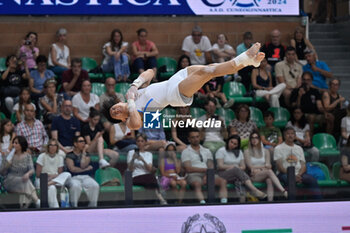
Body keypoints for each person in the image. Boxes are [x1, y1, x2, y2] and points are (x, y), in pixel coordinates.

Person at [104, 42, 265, 130]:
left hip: (175, 79)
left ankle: (248, 61)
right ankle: (245, 59)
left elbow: (149, 73)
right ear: (121, 119)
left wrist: (134, 86)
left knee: (214, 68)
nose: (116, 110)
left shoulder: (131, 93)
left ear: (116, 102)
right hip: (174, 94)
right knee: (208, 72)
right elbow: (137, 124)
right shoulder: (132, 119)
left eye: (114, 108)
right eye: (115, 114)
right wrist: (131, 102)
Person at [181, 128, 228, 204]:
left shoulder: (207, 150)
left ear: (200, 137)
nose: (195, 139)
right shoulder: (185, 151)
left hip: (207, 173)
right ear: (189, 139)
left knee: (223, 181)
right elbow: (188, 169)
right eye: (193, 137)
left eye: (197, 136)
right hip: (193, 175)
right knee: (197, 184)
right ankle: (203, 203)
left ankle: (224, 203)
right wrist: (204, 171)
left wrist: (208, 174)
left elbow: (210, 165)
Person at [216, 135, 267, 202]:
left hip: (236, 174)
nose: (232, 145)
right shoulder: (221, 151)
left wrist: (236, 168)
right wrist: (233, 167)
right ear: (228, 141)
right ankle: (255, 190)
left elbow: (243, 166)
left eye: (235, 144)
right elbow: (220, 166)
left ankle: (242, 201)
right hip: (223, 174)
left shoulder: (239, 152)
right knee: (236, 170)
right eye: (231, 142)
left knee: (239, 180)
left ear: (237, 145)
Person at [274, 127, 322, 199]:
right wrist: (292, 175)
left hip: (299, 173)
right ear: (284, 136)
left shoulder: (299, 148)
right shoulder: (278, 148)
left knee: (312, 180)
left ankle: (318, 203)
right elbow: (280, 167)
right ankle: (292, 204)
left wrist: (299, 174)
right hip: (284, 173)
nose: (290, 136)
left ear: (295, 135)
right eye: (288, 134)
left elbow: (303, 165)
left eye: (292, 134)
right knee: (290, 180)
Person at [244, 131, 287, 201]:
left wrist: (259, 169)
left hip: (263, 173)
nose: (254, 140)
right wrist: (263, 167)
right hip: (253, 175)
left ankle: (270, 201)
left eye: (256, 138)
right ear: (250, 140)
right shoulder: (247, 151)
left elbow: (269, 165)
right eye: (252, 138)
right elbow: (250, 166)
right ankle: (283, 191)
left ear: (259, 140)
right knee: (269, 172)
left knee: (269, 180)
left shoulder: (266, 151)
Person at [0, 136, 40, 208]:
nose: (14, 145)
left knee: (25, 182)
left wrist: (27, 174)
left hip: (23, 180)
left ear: (21, 145)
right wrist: (7, 165)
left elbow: (32, 170)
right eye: (13, 143)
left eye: (16, 143)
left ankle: (24, 206)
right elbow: (2, 173)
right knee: (25, 182)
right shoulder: (8, 155)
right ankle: (37, 201)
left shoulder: (27, 156)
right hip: (10, 180)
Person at [127, 134, 167, 204]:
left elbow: (149, 169)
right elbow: (130, 169)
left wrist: (143, 160)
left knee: (150, 184)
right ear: (136, 142)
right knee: (151, 178)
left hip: (148, 177)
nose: (140, 143)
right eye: (138, 141)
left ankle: (149, 203)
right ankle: (160, 197)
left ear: (145, 142)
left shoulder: (149, 154)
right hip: (135, 176)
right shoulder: (131, 153)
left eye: (142, 141)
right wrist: (133, 159)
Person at [65, 136, 100, 207]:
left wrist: (84, 152)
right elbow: (72, 169)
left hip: (86, 177)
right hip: (73, 177)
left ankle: (92, 207)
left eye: (84, 141)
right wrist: (85, 169)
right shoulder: (69, 155)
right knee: (75, 186)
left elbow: (83, 165)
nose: (83, 143)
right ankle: (74, 207)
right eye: (81, 141)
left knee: (95, 185)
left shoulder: (86, 154)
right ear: (75, 144)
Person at [35, 138, 71, 208]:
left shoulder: (60, 157)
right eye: (51, 145)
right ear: (48, 147)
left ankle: (48, 184)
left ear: (57, 147)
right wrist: (49, 176)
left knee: (67, 174)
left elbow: (60, 174)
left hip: (55, 180)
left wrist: (53, 178)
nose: (52, 147)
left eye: (54, 145)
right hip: (43, 179)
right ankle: (55, 208)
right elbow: (38, 174)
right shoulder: (42, 156)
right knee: (52, 188)